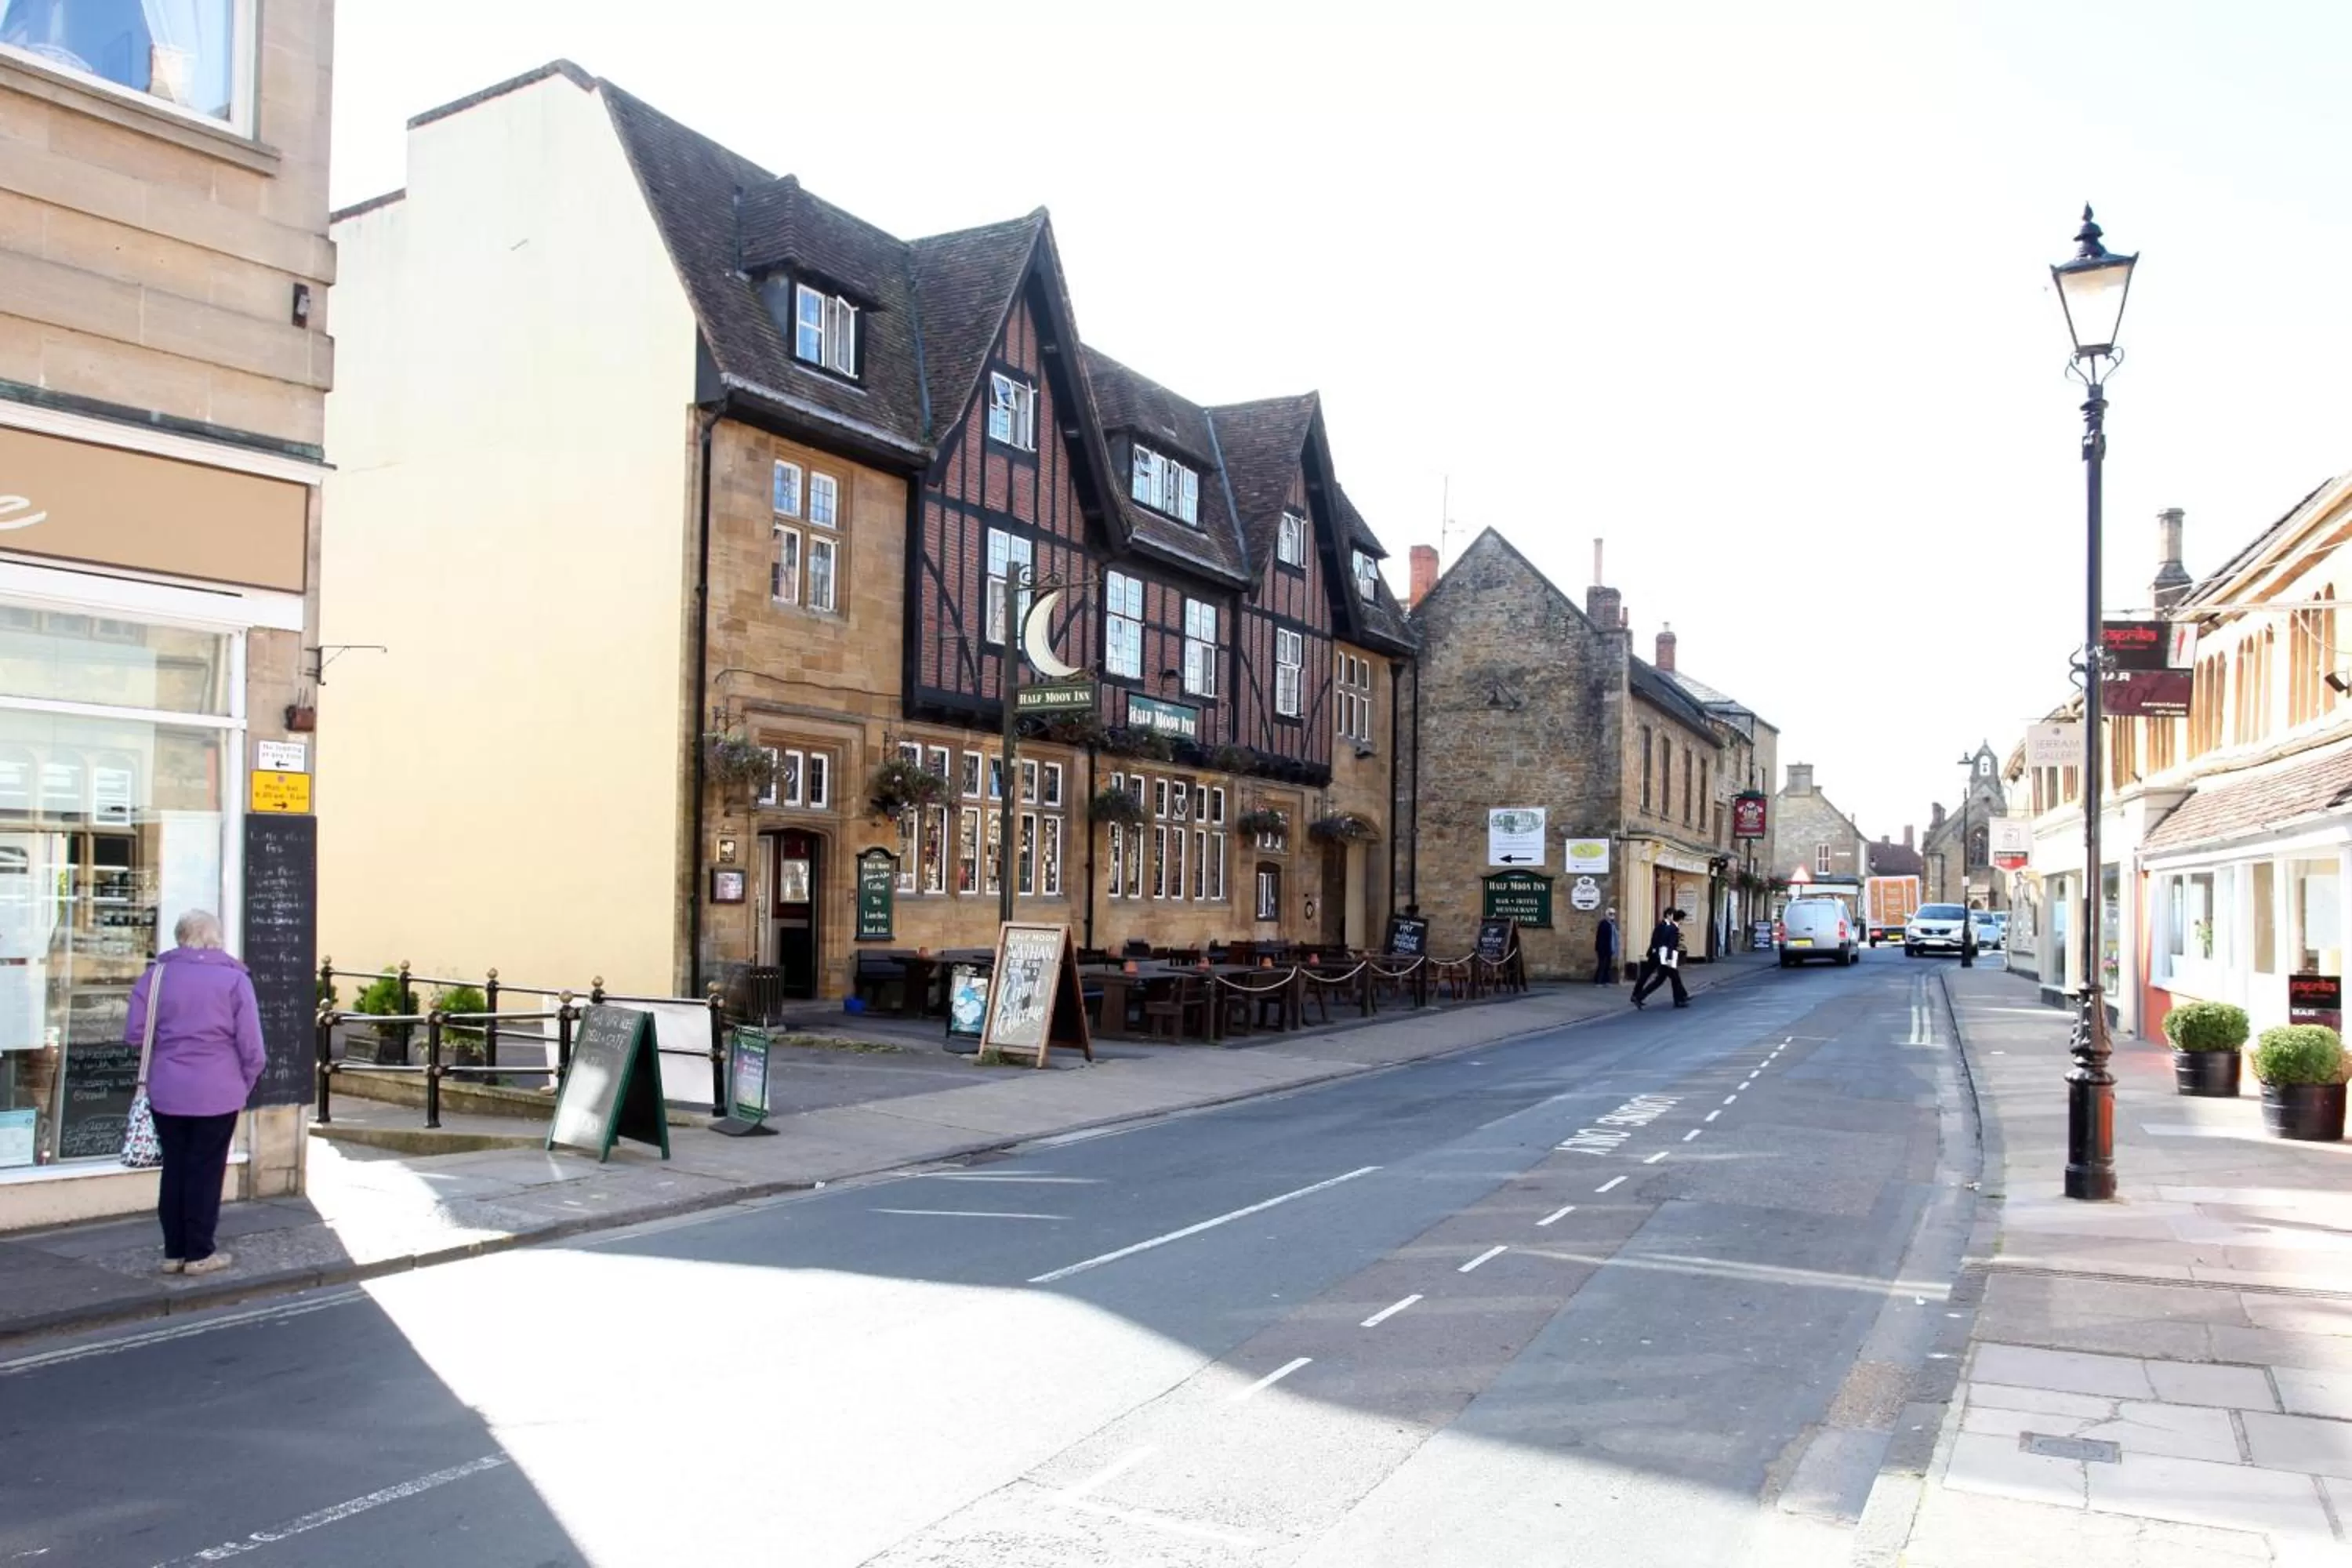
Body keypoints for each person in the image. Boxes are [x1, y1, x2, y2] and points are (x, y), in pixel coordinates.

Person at [123, 910, 265, 1276]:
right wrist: (244, 1082)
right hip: (218, 1090)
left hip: (167, 1089)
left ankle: (174, 1253)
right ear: (214, 939)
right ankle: (200, 1253)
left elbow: (136, 1035)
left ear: (180, 937)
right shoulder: (234, 980)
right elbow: (252, 1046)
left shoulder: (156, 976)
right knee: (206, 1170)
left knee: (175, 1169)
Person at [1632, 908, 1691, 1010]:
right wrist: (1669, 959)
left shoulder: (1669, 927)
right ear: (1680, 919)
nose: (1683, 922)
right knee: (1673, 979)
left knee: (1661, 980)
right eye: (1683, 920)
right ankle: (1679, 1000)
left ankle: (1639, 997)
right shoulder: (1673, 929)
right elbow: (1670, 945)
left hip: (1664, 957)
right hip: (1667, 958)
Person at [1592, 908, 1620, 985]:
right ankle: (1598, 981)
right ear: (1607, 914)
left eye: (1613, 914)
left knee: (1607, 964)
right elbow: (1601, 938)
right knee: (1602, 965)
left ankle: (1605, 980)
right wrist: (1601, 948)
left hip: (1609, 948)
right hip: (1603, 948)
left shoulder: (1612, 924)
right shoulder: (1603, 924)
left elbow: (1614, 937)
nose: (1612, 916)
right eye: (1611, 914)